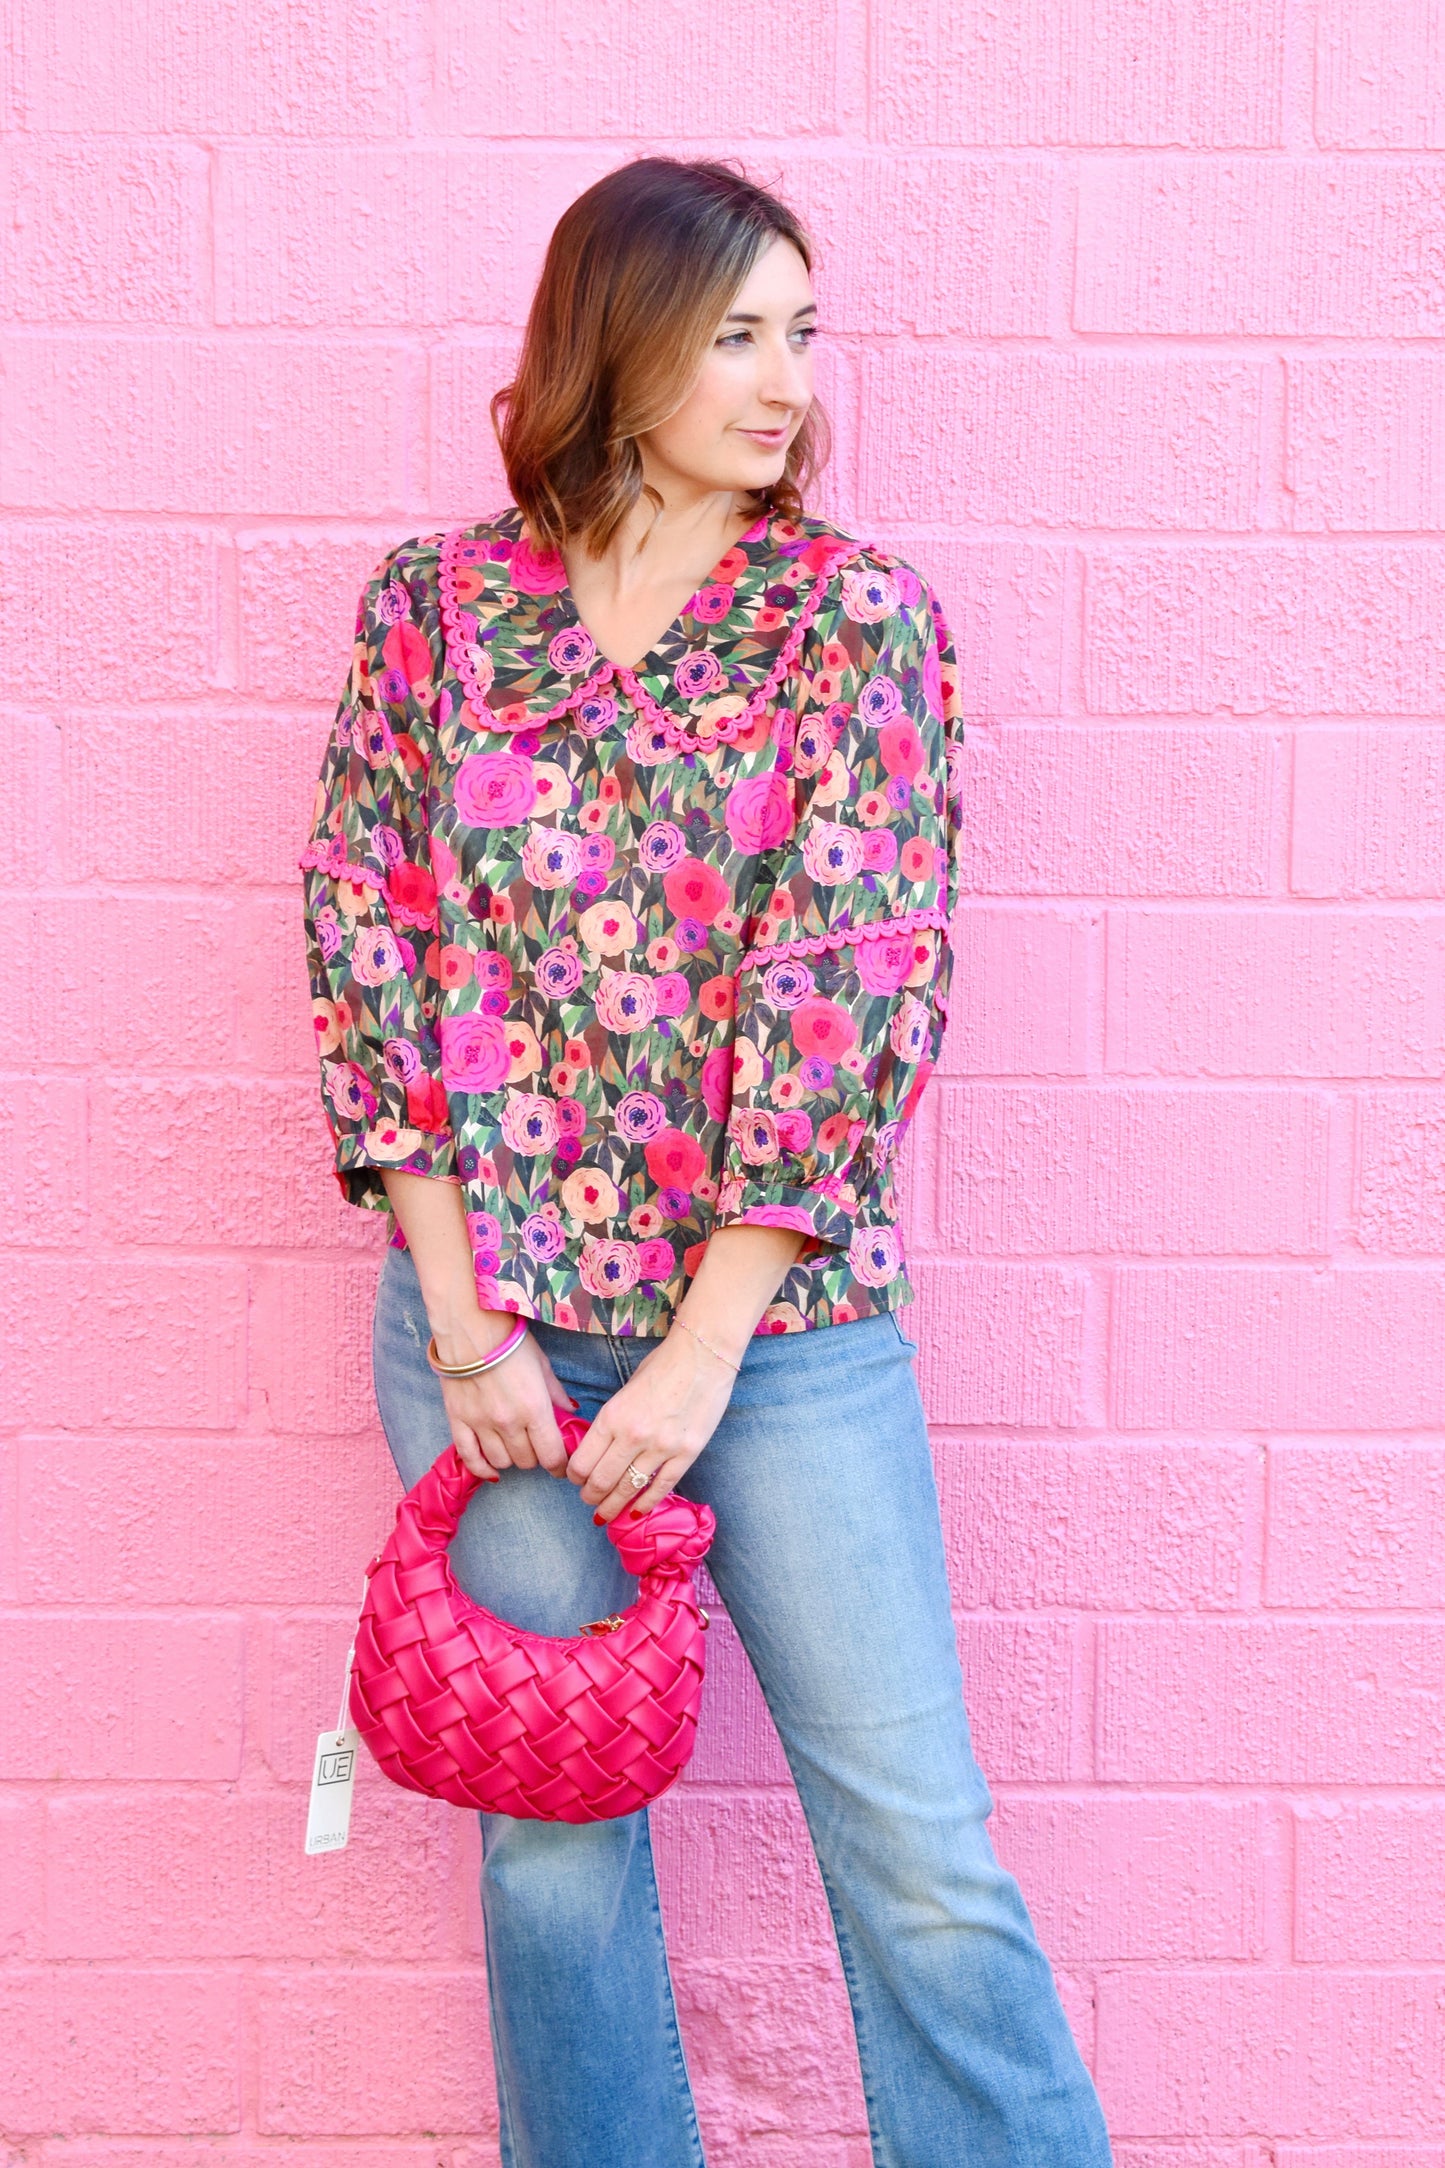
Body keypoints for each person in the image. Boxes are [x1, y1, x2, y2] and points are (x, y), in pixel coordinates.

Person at [300, 154, 1113, 2168]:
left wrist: (698, 1359)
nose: (784, 382)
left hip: (776, 1343)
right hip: (489, 1338)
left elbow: (855, 994)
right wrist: (468, 1316)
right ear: (616, 343)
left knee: (919, 1852)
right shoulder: (437, 615)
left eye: (801, 335)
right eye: (736, 333)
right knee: (553, 1860)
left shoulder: (850, 630)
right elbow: (363, 935)